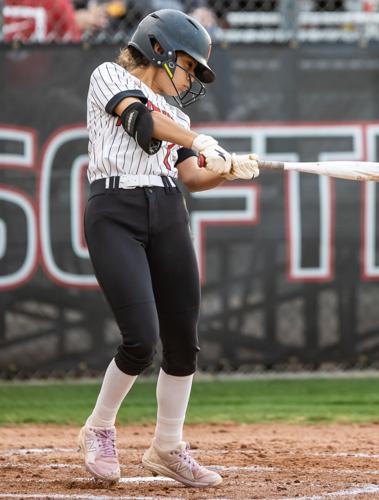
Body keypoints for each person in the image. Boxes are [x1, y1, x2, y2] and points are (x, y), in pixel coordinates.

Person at [77, 8, 259, 488]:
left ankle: (167, 447)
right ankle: (98, 428)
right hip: (114, 212)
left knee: (183, 341)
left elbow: (192, 179)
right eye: (188, 65)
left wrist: (228, 168)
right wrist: (202, 139)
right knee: (140, 338)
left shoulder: (178, 115)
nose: (192, 77)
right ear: (158, 49)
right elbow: (140, 121)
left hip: (167, 211)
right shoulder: (109, 76)